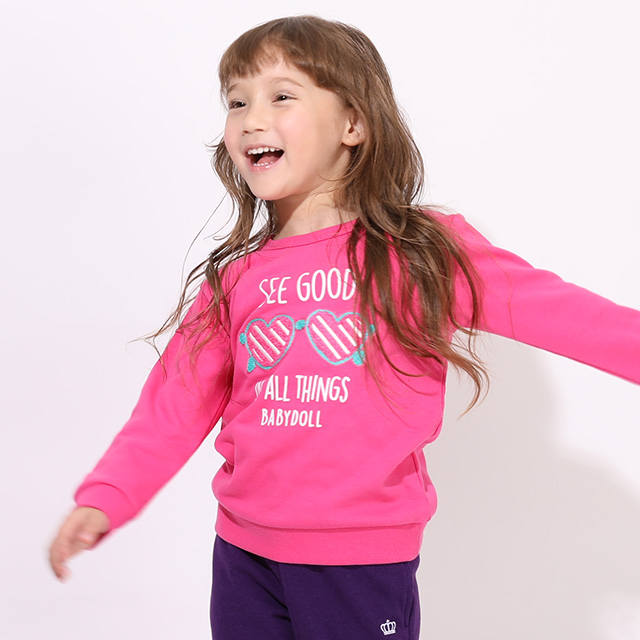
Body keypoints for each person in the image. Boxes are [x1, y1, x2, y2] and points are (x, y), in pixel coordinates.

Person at [49, 15, 640, 640]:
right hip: (243, 555)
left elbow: (568, 315)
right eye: (236, 102)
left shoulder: (418, 251)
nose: (250, 119)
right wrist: (108, 495)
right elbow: (173, 403)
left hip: (359, 561)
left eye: (281, 96)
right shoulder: (235, 278)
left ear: (353, 124)